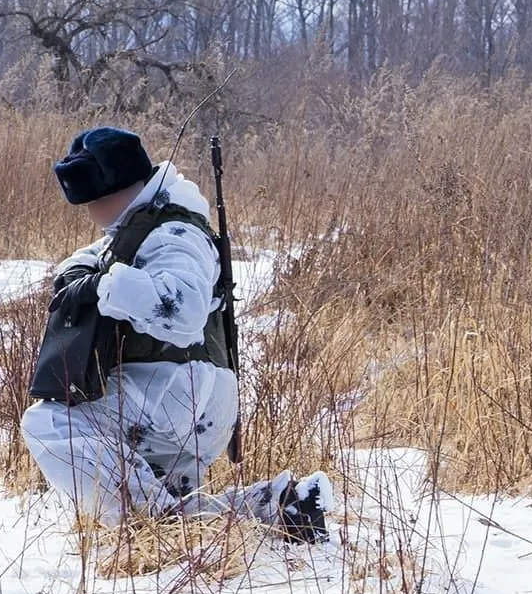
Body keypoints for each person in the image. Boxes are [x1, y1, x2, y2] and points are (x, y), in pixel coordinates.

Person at [21, 127, 330, 542]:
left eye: (95, 202)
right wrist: (81, 276)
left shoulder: (173, 234)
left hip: (172, 394)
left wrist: (103, 288)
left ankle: (152, 529)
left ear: (123, 190)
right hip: (181, 397)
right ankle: (279, 504)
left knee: (52, 423)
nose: (92, 212)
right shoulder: (142, 226)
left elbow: (181, 311)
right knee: (170, 499)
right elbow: (85, 262)